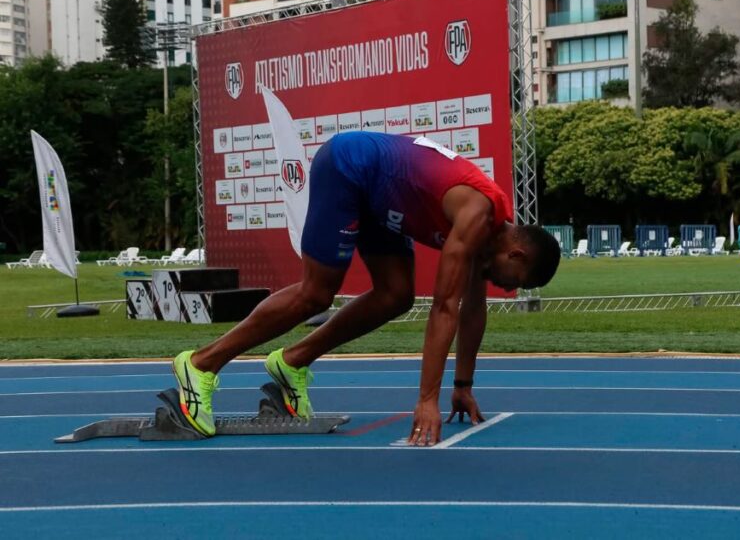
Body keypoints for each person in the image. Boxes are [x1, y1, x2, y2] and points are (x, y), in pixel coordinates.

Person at [172, 131, 561, 446]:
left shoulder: (492, 237)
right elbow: (445, 307)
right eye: (517, 284)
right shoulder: (478, 216)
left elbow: (473, 312)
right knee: (316, 293)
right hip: (350, 167)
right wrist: (427, 401)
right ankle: (200, 364)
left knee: (396, 294)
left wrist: (462, 385)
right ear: (517, 256)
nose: (508, 290)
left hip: (382, 199)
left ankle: (291, 363)